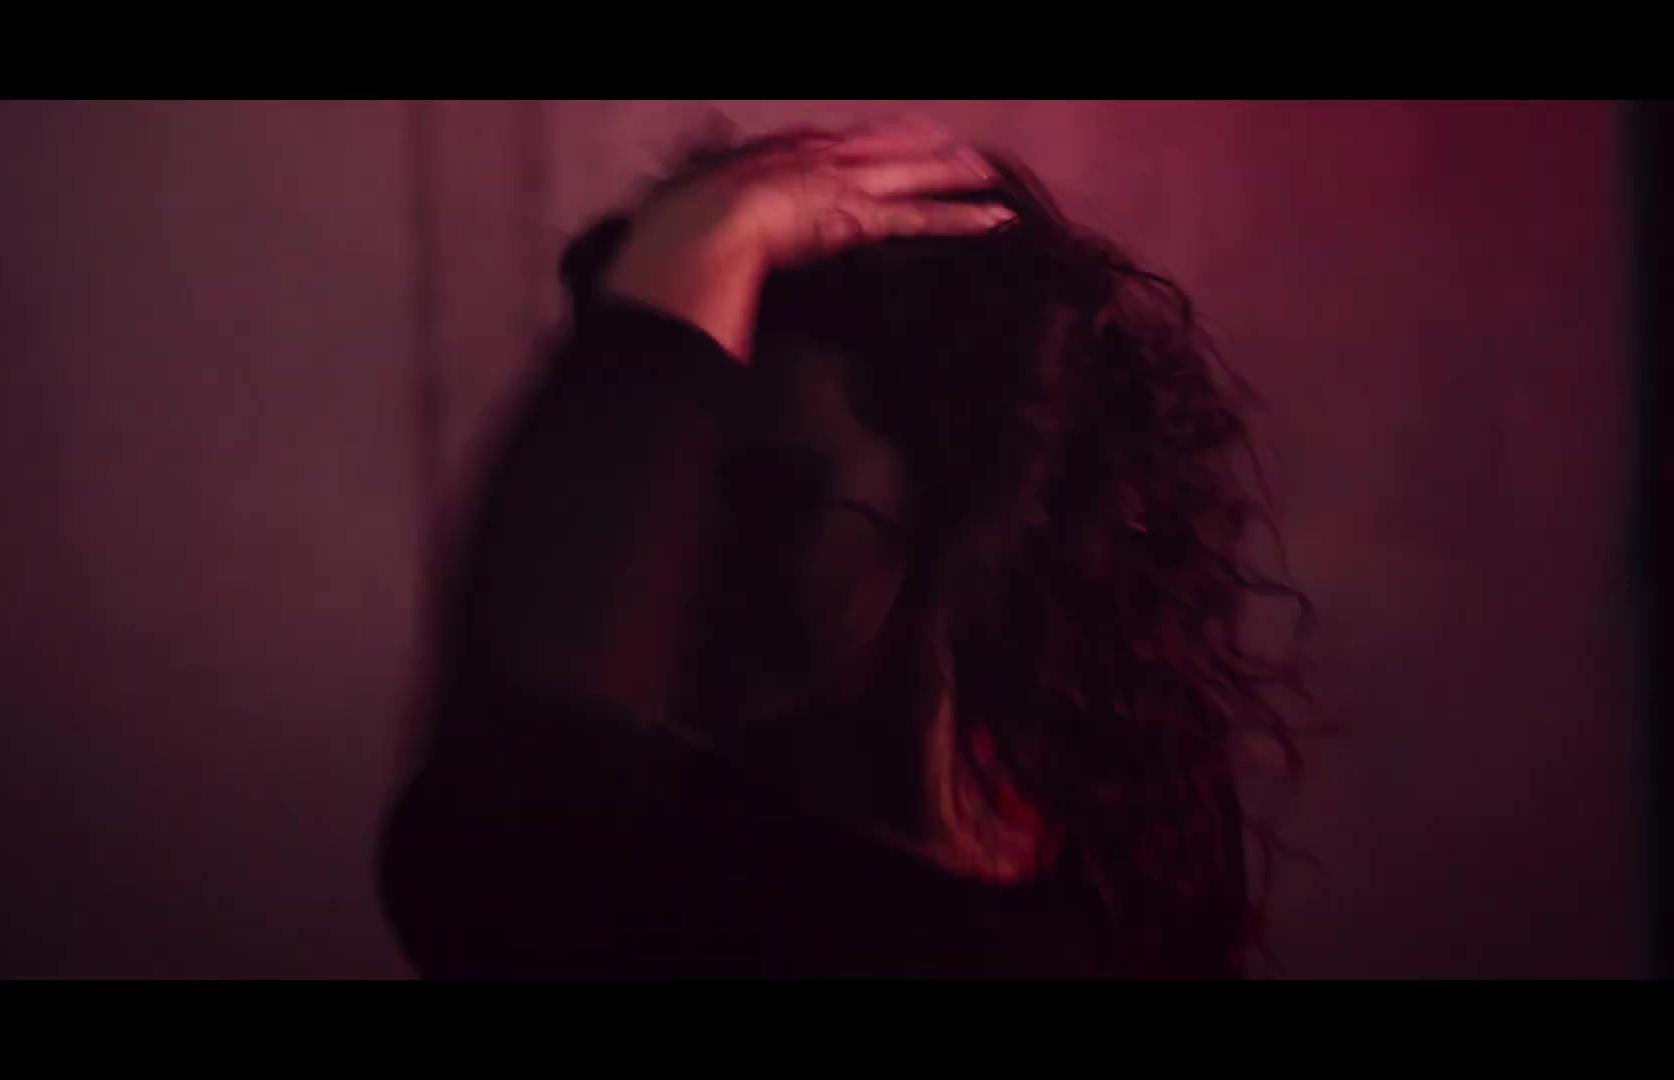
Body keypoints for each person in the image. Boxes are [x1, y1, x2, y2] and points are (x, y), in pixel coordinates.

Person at [378, 116, 1310, 978]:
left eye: (773, 495)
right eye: (668, 489)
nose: (685, 553)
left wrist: (693, 251)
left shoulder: (1122, 831)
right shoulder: (656, 850)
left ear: (964, 488)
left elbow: (513, 814)